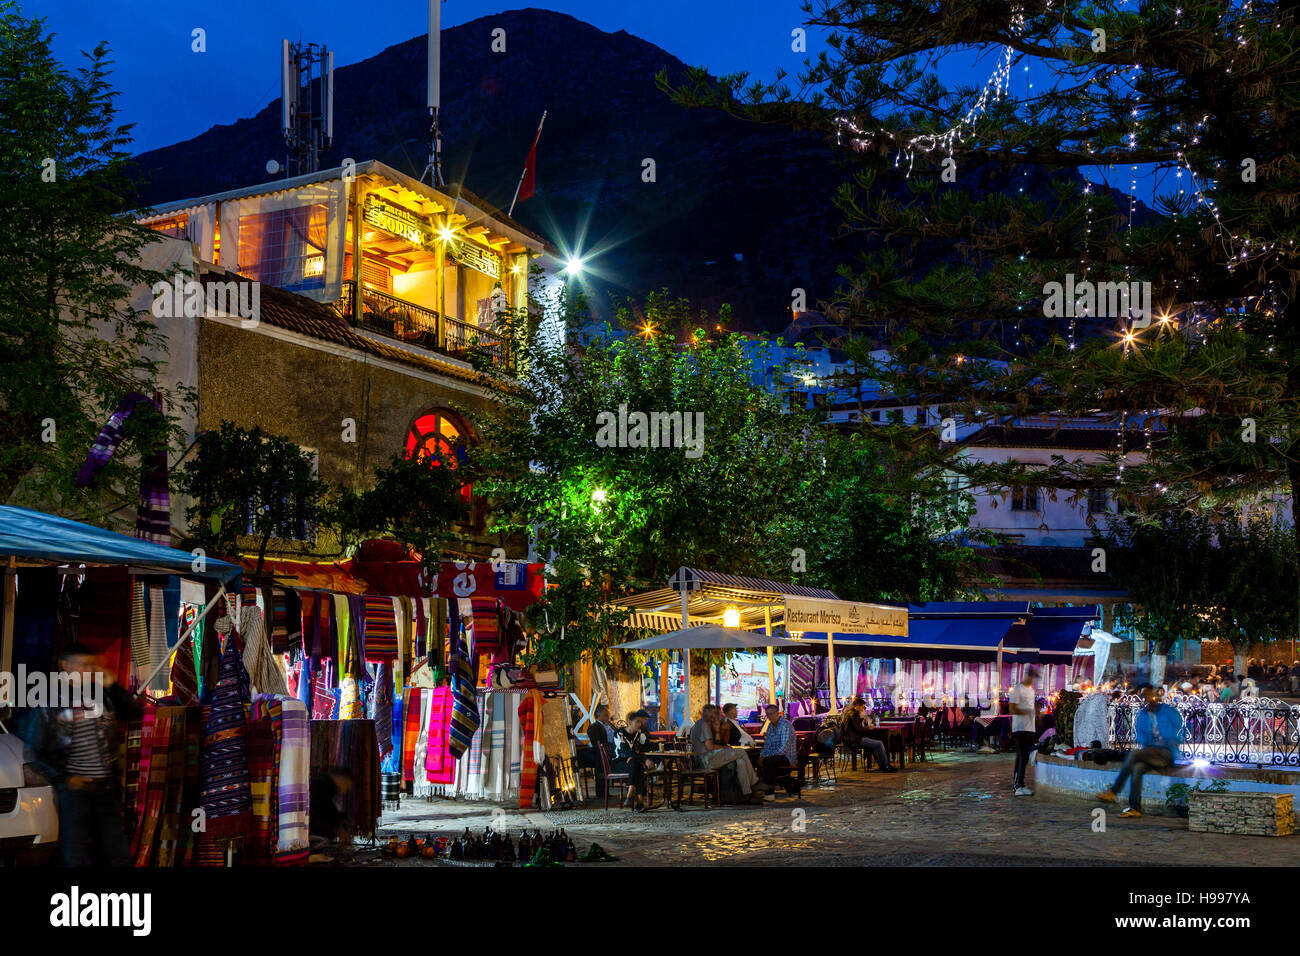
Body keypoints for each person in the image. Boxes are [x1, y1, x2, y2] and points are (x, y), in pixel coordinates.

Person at [24, 643, 143, 867]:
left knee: (117, 854)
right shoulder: (51, 700)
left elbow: (134, 713)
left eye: (91, 666)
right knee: (75, 854)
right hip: (74, 792)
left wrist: (113, 686)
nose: (89, 670)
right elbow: (33, 751)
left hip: (104, 789)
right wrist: (65, 778)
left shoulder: (102, 696)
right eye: (83, 665)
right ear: (65, 666)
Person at [1097, 684, 1186, 817]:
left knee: (1134, 754)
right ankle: (1135, 808)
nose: (1146, 698)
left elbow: (1181, 725)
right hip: (1152, 754)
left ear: (1154, 695)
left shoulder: (1167, 710)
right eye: (1144, 695)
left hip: (1167, 753)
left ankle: (1114, 791)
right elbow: (1140, 737)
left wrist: (1173, 739)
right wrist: (1150, 746)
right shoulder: (1143, 715)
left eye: (1149, 694)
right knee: (1137, 768)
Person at [689, 703, 766, 799]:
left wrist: (717, 730)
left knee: (740, 762)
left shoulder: (708, 725)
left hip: (712, 758)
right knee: (741, 752)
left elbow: (718, 742)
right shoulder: (703, 725)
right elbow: (710, 747)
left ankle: (747, 794)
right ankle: (755, 782)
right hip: (706, 761)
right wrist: (726, 748)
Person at [612, 709, 655, 812]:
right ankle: (639, 801)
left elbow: (646, 747)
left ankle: (631, 794)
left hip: (633, 764)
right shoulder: (619, 733)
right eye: (637, 722)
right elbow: (625, 751)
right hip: (619, 763)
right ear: (630, 722)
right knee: (637, 765)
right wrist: (644, 760)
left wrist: (665, 746)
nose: (640, 724)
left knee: (635, 763)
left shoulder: (638, 734)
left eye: (641, 722)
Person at [309, 767, 355, 861]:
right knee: (328, 829)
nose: (345, 790)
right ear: (342, 779)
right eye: (347, 785)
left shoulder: (325, 783)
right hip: (311, 824)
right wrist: (339, 828)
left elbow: (330, 808)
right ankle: (313, 850)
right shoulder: (324, 784)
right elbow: (325, 808)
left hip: (313, 820)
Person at [838, 697, 894, 771]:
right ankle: (886, 766)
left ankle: (882, 766)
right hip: (856, 739)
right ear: (858, 706)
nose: (863, 708)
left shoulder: (851, 713)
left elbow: (856, 726)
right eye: (862, 706)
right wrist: (869, 728)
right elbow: (858, 729)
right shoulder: (853, 714)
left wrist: (862, 719)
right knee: (880, 743)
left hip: (851, 739)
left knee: (875, 745)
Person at [757, 704, 800, 795]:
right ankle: (761, 787)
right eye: (768, 714)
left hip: (787, 757)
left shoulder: (785, 725)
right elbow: (767, 745)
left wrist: (765, 757)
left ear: (778, 713)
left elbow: (783, 749)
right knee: (756, 759)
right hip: (775, 756)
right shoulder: (770, 726)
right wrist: (762, 755)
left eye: (772, 713)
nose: (770, 716)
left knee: (768, 761)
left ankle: (768, 791)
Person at [1010, 665, 1039, 796]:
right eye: (1033, 677)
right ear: (1028, 676)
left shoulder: (1031, 691)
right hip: (1020, 728)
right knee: (1023, 756)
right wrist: (1027, 711)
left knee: (1023, 757)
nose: (1034, 680)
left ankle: (1020, 784)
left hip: (1029, 728)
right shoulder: (1018, 689)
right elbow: (1012, 709)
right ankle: (1018, 786)